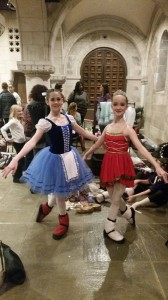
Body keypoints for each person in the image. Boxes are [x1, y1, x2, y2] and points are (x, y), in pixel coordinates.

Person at [2, 89, 98, 240]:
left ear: (62, 100)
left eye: (58, 99)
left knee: (59, 189)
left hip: (70, 157)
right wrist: (16, 159)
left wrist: (102, 138)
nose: (56, 102)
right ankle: (63, 220)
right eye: (52, 99)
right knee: (59, 192)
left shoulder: (69, 118)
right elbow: (33, 141)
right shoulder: (45, 122)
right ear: (47, 102)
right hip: (54, 160)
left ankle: (45, 208)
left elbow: (83, 133)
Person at [83, 90, 168, 244]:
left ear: (126, 106)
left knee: (115, 198)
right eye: (115, 104)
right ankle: (128, 213)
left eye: (122, 104)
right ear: (111, 106)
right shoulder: (108, 127)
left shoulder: (128, 129)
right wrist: (87, 153)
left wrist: (157, 166)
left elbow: (141, 149)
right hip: (109, 164)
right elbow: (99, 142)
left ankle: (109, 227)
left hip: (122, 164)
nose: (118, 107)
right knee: (112, 194)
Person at [1, 105, 26, 183]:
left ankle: (18, 175)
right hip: (17, 143)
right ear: (14, 112)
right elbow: (2, 129)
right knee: (20, 160)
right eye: (18, 111)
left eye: (21, 110)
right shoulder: (13, 121)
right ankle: (16, 177)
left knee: (21, 160)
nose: (21, 112)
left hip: (22, 142)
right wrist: (8, 139)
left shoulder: (18, 120)